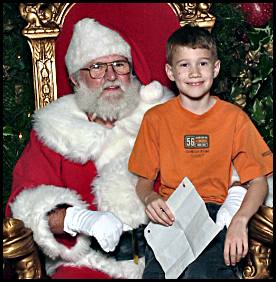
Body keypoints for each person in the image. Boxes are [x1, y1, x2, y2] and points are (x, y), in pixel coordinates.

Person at [5, 18, 175, 279]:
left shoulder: (162, 115)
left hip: (164, 254)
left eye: (119, 65)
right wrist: (78, 220)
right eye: (96, 67)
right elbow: (23, 205)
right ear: (76, 79)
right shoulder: (55, 132)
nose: (110, 76)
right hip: (90, 262)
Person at [128, 25, 273, 279]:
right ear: (170, 72)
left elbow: (259, 182)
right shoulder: (155, 119)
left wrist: (240, 220)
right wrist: (149, 198)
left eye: (202, 63)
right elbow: (144, 181)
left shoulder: (234, 118)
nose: (194, 73)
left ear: (215, 68)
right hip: (170, 215)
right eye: (184, 65)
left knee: (203, 273)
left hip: (213, 216)